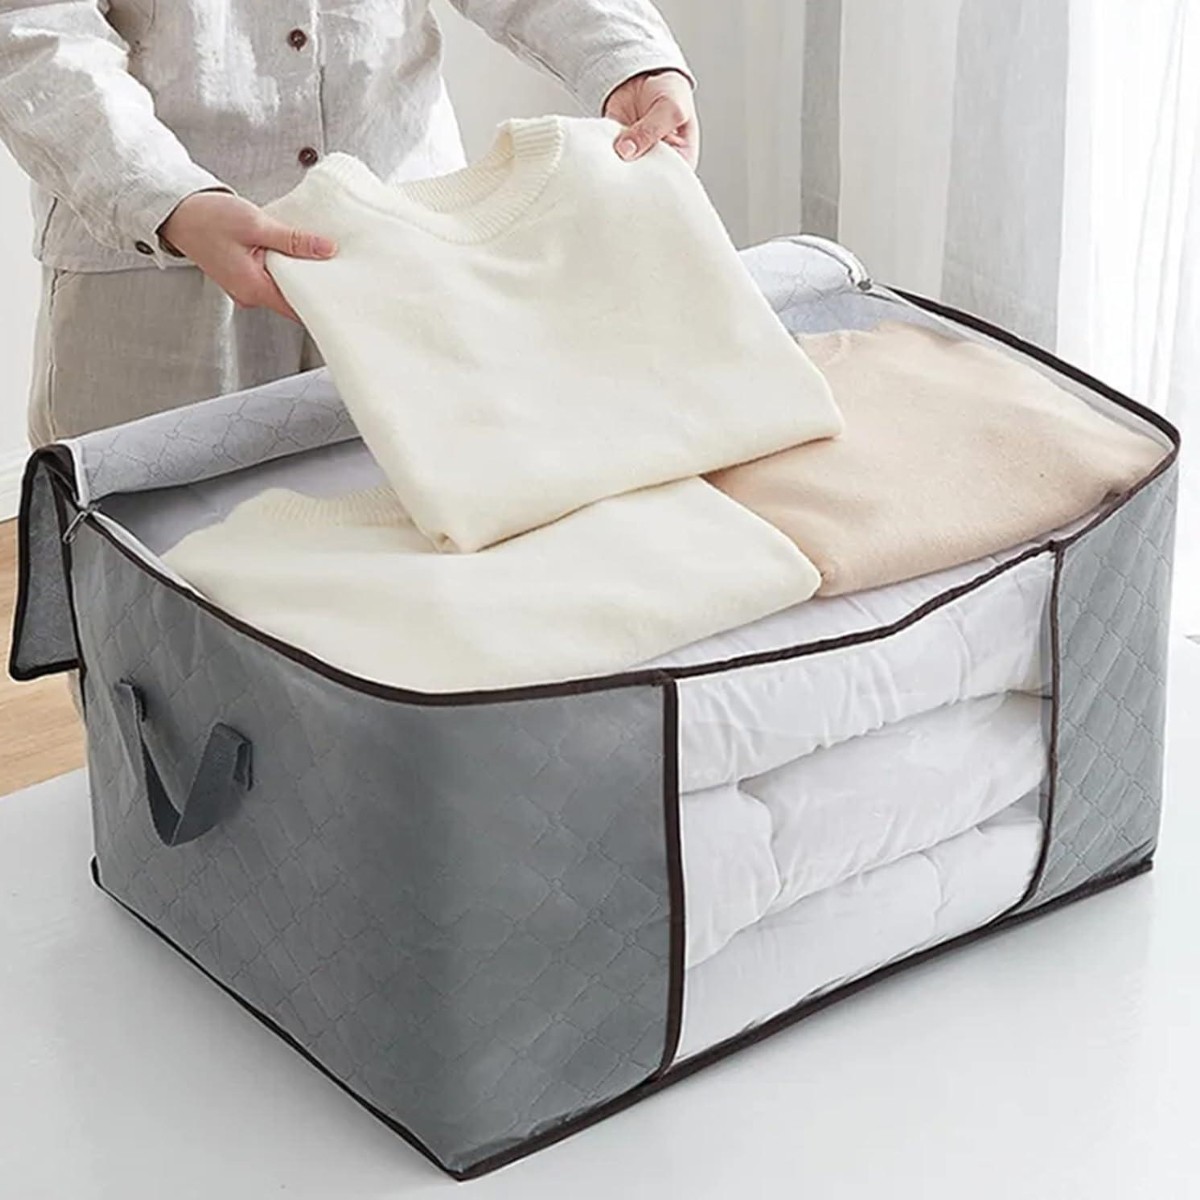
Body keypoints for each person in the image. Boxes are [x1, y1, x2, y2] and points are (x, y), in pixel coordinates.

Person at [0, 1, 698, 447]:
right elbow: (33, 27)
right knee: (155, 591)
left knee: (422, 566)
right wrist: (170, 200)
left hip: (399, 247)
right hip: (154, 277)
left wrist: (630, 60)